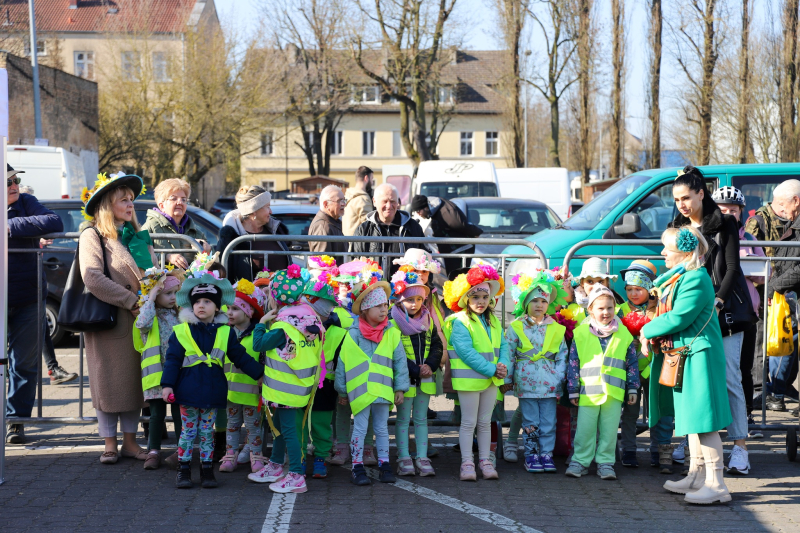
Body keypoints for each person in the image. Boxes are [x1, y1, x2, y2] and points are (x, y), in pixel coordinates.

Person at [670, 166, 752, 475]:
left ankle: (740, 448)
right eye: (677, 199)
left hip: (725, 312)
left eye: (686, 198)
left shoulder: (724, 223)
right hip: (691, 316)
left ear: (701, 194)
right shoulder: (677, 227)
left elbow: (732, 268)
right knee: (693, 381)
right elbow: (676, 266)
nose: (682, 204)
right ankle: (695, 446)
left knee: (730, 379)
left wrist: (717, 300)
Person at [642, 226, 733, 505]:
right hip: (687, 354)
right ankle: (697, 475)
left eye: (667, 249)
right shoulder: (685, 277)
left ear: (683, 251)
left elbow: (680, 317)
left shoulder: (695, 278)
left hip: (698, 356)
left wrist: (646, 330)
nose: (662, 253)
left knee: (704, 422)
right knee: (693, 420)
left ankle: (717, 484)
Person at [78, 172, 156, 462]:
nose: (130, 204)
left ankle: (130, 442)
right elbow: (92, 276)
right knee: (109, 382)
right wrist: (130, 300)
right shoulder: (93, 234)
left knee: (134, 383)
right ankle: (109, 443)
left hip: (139, 320)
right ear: (107, 205)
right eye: (123, 199)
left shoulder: (137, 236)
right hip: (110, 318)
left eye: (132, 199)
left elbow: (151, 275)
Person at [161, 271, 264, 489]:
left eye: (207, 302)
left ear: (217, 307)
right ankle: (184, 470)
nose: (201, 305)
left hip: (212, 391)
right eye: (197, 301)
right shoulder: (180, 331)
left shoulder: (226, 333)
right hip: (187, 391)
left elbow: (241, 358)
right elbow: (172, 360)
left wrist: (259, 374)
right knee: (188, 432)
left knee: (208, 433)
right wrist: (167, 385)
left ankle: (207, 470)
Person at [335, 261, 410, 486]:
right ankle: (357, 466)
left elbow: (400, 362)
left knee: (381, 428)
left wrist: (400, 387)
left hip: (383, 389)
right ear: (365, 310)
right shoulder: (353, 334)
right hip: (359, 392)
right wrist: (341, 390)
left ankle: (385, 464)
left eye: (385, 306)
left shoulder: (392, 333)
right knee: (359, 428)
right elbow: (343, 363)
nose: (383, 310)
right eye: (378, 306)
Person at [6, 165, 64, 444]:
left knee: (25, 364)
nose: (14, 185)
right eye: (7, 182)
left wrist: (8, 227)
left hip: (28, 298)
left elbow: (54, 222)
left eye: (15, 180)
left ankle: (16, 421)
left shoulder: (26, 203)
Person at [443, 265, 510, 482]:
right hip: (470, 381)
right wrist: (493, 369)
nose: (480, 302)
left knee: (484, 421)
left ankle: (484, 461)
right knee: (468, 423)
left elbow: (504, 345)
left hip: (491, 380)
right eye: (475, 297)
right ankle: (467, 462)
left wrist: (504, 365)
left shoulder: (494, 321)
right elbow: (466, 352)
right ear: (465, 300)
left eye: (484, 297)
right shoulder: (459, 321)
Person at [565, 285, 639, 481]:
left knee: (609, 430)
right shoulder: (580, 333)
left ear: (615, 308)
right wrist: (572, 389)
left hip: (614, 393)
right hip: (588, 391)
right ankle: (580, 461)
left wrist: (633, 387)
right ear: (590, 310)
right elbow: (573, 363)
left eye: (609, 308)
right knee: (585, 429)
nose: (605, 312)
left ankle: (606, 463)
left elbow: (631, 362)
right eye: (600, 308)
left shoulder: (624, 334)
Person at [503, 271, 568, 474]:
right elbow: (509, 354)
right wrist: (507, 378)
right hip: (526, 383)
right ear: (525, 303)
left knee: (549, 422)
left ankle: (546, 454)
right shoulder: (515, 327)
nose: (539, 305)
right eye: (534, 301)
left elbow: (562, 356)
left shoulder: (557, 329)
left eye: (543, 301)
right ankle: (531, 455)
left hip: (549, 384)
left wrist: (558, 379)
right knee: (531, 421)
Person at [712, 186, 766, 427]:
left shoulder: (749, 239)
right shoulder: (711, 235)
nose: (728, 214)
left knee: (744, 366)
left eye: (732, 210)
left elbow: (765, 274)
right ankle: (721, 414)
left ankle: (746, 413)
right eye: (722, 209)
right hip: (719, 310)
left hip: (745, 311)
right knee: (719, 368)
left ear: (741, 212)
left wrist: (747, 267)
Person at [616, 260, 675, 473]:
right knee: (630, 412)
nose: (633, 294)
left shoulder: (659, 309)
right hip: (629, 370)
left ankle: (660, 451)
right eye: (629, 289)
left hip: (655, 367)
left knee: (658, 411)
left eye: (638, 289)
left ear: (649, 289)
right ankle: (629, 450)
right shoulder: (620, 311)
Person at [16, 184, 77, 386]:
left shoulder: (29, 208)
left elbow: (52, 223)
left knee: (40, 326)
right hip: (18, 287)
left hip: (32, 285)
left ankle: (52, 369)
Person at [391, 267, 443, 477]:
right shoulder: (393, 323)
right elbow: (396, 353)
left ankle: (422, 457)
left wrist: (430, 365)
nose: (414, 304)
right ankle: (404, 457)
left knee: (421, 419)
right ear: (400, 300)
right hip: (405, 380)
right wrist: (415, 369)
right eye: (409, 300)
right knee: (403, 420)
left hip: (425, 378)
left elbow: (437, 345)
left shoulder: (428, 320)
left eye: (419, 300)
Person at [133, 266, 184, 470]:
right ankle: (153, 450)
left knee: (180, 413)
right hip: (157, 376)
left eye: (175, 293)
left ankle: (183, 450)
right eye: (168, 293)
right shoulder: (150, 316)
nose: (173, 298)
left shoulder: (179, 315)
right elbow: (141, 323)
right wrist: (151, 296)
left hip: (179, 374)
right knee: (156, 415)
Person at [219, 279, 268, 474]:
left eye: (235, 309)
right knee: (231, 426)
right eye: (228, 308)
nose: (229, 313)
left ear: (249, 312)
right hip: (229, 391)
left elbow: (263, 360)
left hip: (251, 393)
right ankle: (230, 454)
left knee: (253, 426)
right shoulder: (224, 332)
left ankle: (255, 455)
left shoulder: (258, 333)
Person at [762, 179, 800, 415]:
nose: (778, 210)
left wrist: (773, 286)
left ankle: (776, 392)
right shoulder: (793, 223)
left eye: (782, 204)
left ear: (796, 200)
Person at [350, 183, 425, 274]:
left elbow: (425, 260)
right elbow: (354, 262)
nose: (389, 206)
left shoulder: (413, 227)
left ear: (398, 202)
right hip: (373, 286)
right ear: (374, 202)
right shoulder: (363, 230)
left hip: (406, 285)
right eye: (384, 201)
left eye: (393, 201)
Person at [218, 186, 290, 279]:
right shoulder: (231, 239)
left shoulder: (277, 230)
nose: (271, 211)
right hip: (247, 292)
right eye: (267, 207)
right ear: (254, 211)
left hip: (282, 292)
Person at [141, 178, 212, 269]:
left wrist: (207, 249)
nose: (180, 202)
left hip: (190, 282)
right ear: (162, 205)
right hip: (161, 281)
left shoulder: (194, 230)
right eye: (174, 198)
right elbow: (140, 255)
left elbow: (212, 261)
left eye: (183, 199)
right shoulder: (150, 227)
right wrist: (166, 257)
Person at [409, 194, 483, 275]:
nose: (418, 214)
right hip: (454, 250)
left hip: (461, 249)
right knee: (453, 277)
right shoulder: (437, 211)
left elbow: (458, 224)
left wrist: (476, 232)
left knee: (458, 278)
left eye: (418, 211)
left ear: (426, 207)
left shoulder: (443, 211)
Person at [308, 185, 348, 260]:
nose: (344, 204)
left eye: (344, 200)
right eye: (339, 201)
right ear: (326, 204)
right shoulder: (322, 227)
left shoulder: (332, 222)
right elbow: (323, 265)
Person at [342, 166, 375, 236]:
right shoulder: (363, 199)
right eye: (372, 179)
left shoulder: (349, 195)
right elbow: (369, 227)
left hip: (348, 243)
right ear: (366, 178)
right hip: (358, 244)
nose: (372, 183)